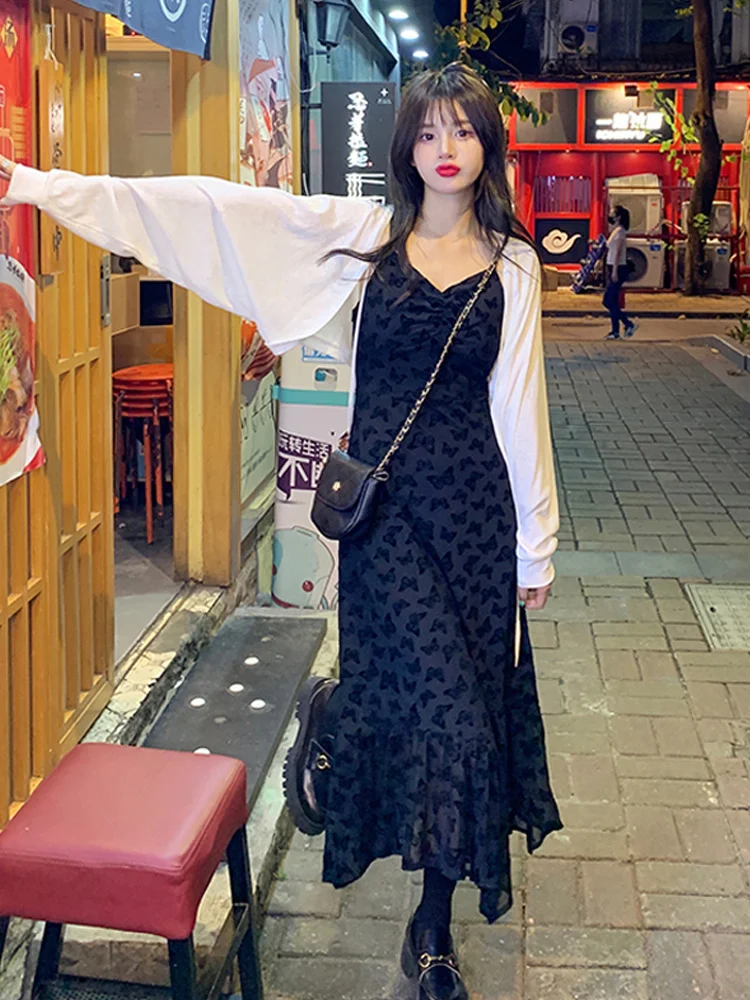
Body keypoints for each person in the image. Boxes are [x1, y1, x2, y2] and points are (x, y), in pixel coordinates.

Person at [0, 63, 561, 1000]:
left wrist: (533, 544)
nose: (446, 149)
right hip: (385, 521)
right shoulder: (363, 240)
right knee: (450, 715)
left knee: (461, 713)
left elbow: (521, 407)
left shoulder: (515, 265)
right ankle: (349, 737)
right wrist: (38, 185)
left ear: (488, 144)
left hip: (472, 519)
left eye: (463, 130)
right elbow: (213, 215)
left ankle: (431, 925)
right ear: (406, 148)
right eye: (429, 132)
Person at [603, 205, 638, 340]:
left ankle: (627, 324)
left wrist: (615, 272)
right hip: (612, 266)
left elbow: (617, 253)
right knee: (612, 301)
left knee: (608, 300)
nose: (610, 215)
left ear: (618, 217)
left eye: (613, 213)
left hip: (617, 267)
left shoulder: (620, 232)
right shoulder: (616, 231)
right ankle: (616, 330)